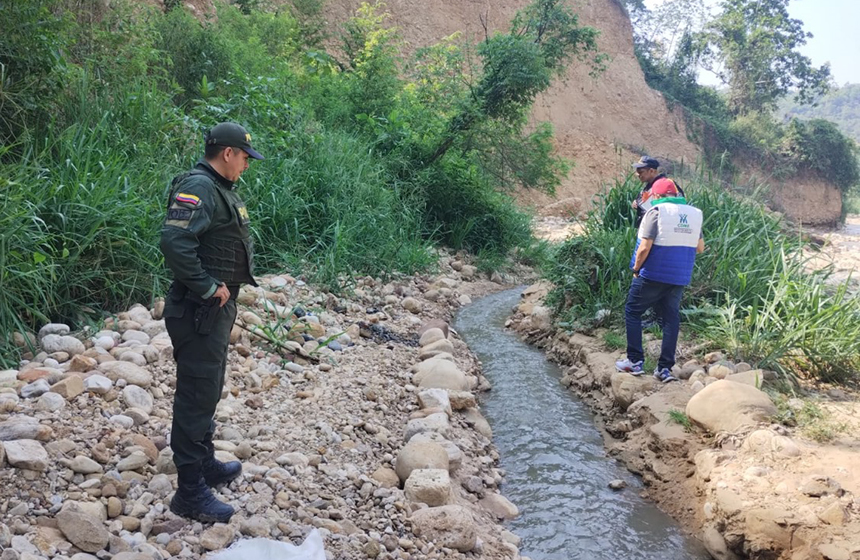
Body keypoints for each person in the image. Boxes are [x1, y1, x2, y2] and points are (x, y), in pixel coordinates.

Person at [160, 122, 264, 523]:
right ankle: (189, 492)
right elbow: (174, 241)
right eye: (244, 157)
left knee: (209, 388)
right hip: (198, 310)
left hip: (213, 312)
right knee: (195, 393)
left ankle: (204, 463)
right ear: (227, 154)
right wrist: (206, 286)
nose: (247, 165)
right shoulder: (200, 187)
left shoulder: (219, 188)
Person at [615, 177, 704, 383]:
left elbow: (644, 247)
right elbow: (700, 248)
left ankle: (635, 361)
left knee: (633, 311)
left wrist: (636, 268)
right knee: (670, 319)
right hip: (679, 277)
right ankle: (664, 369)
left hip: (653, 273)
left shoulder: (655, 212)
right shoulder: (694, 214)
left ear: (655, 195)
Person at [631, 156, 686, 228]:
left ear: (651, 171)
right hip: (647, 228)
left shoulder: (667, 184)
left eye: (641, 172)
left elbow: (678, 205)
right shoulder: (648, 187)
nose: (638, 175)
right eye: (637, 172)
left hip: (661, 228)